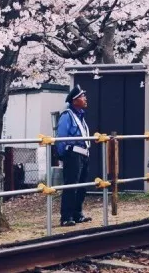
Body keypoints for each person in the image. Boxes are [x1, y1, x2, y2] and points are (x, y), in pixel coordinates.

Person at [55, 86, 92, 227]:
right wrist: (63, 155)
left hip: (83, 154)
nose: (85, 99)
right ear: (75, 100)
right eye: (83, 97)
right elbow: (61, 137)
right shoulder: (67, 116)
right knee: (71, 185)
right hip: (73, 154)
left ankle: (77, 213)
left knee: (82, 185)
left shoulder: (80, 116)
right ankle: (66, 216)